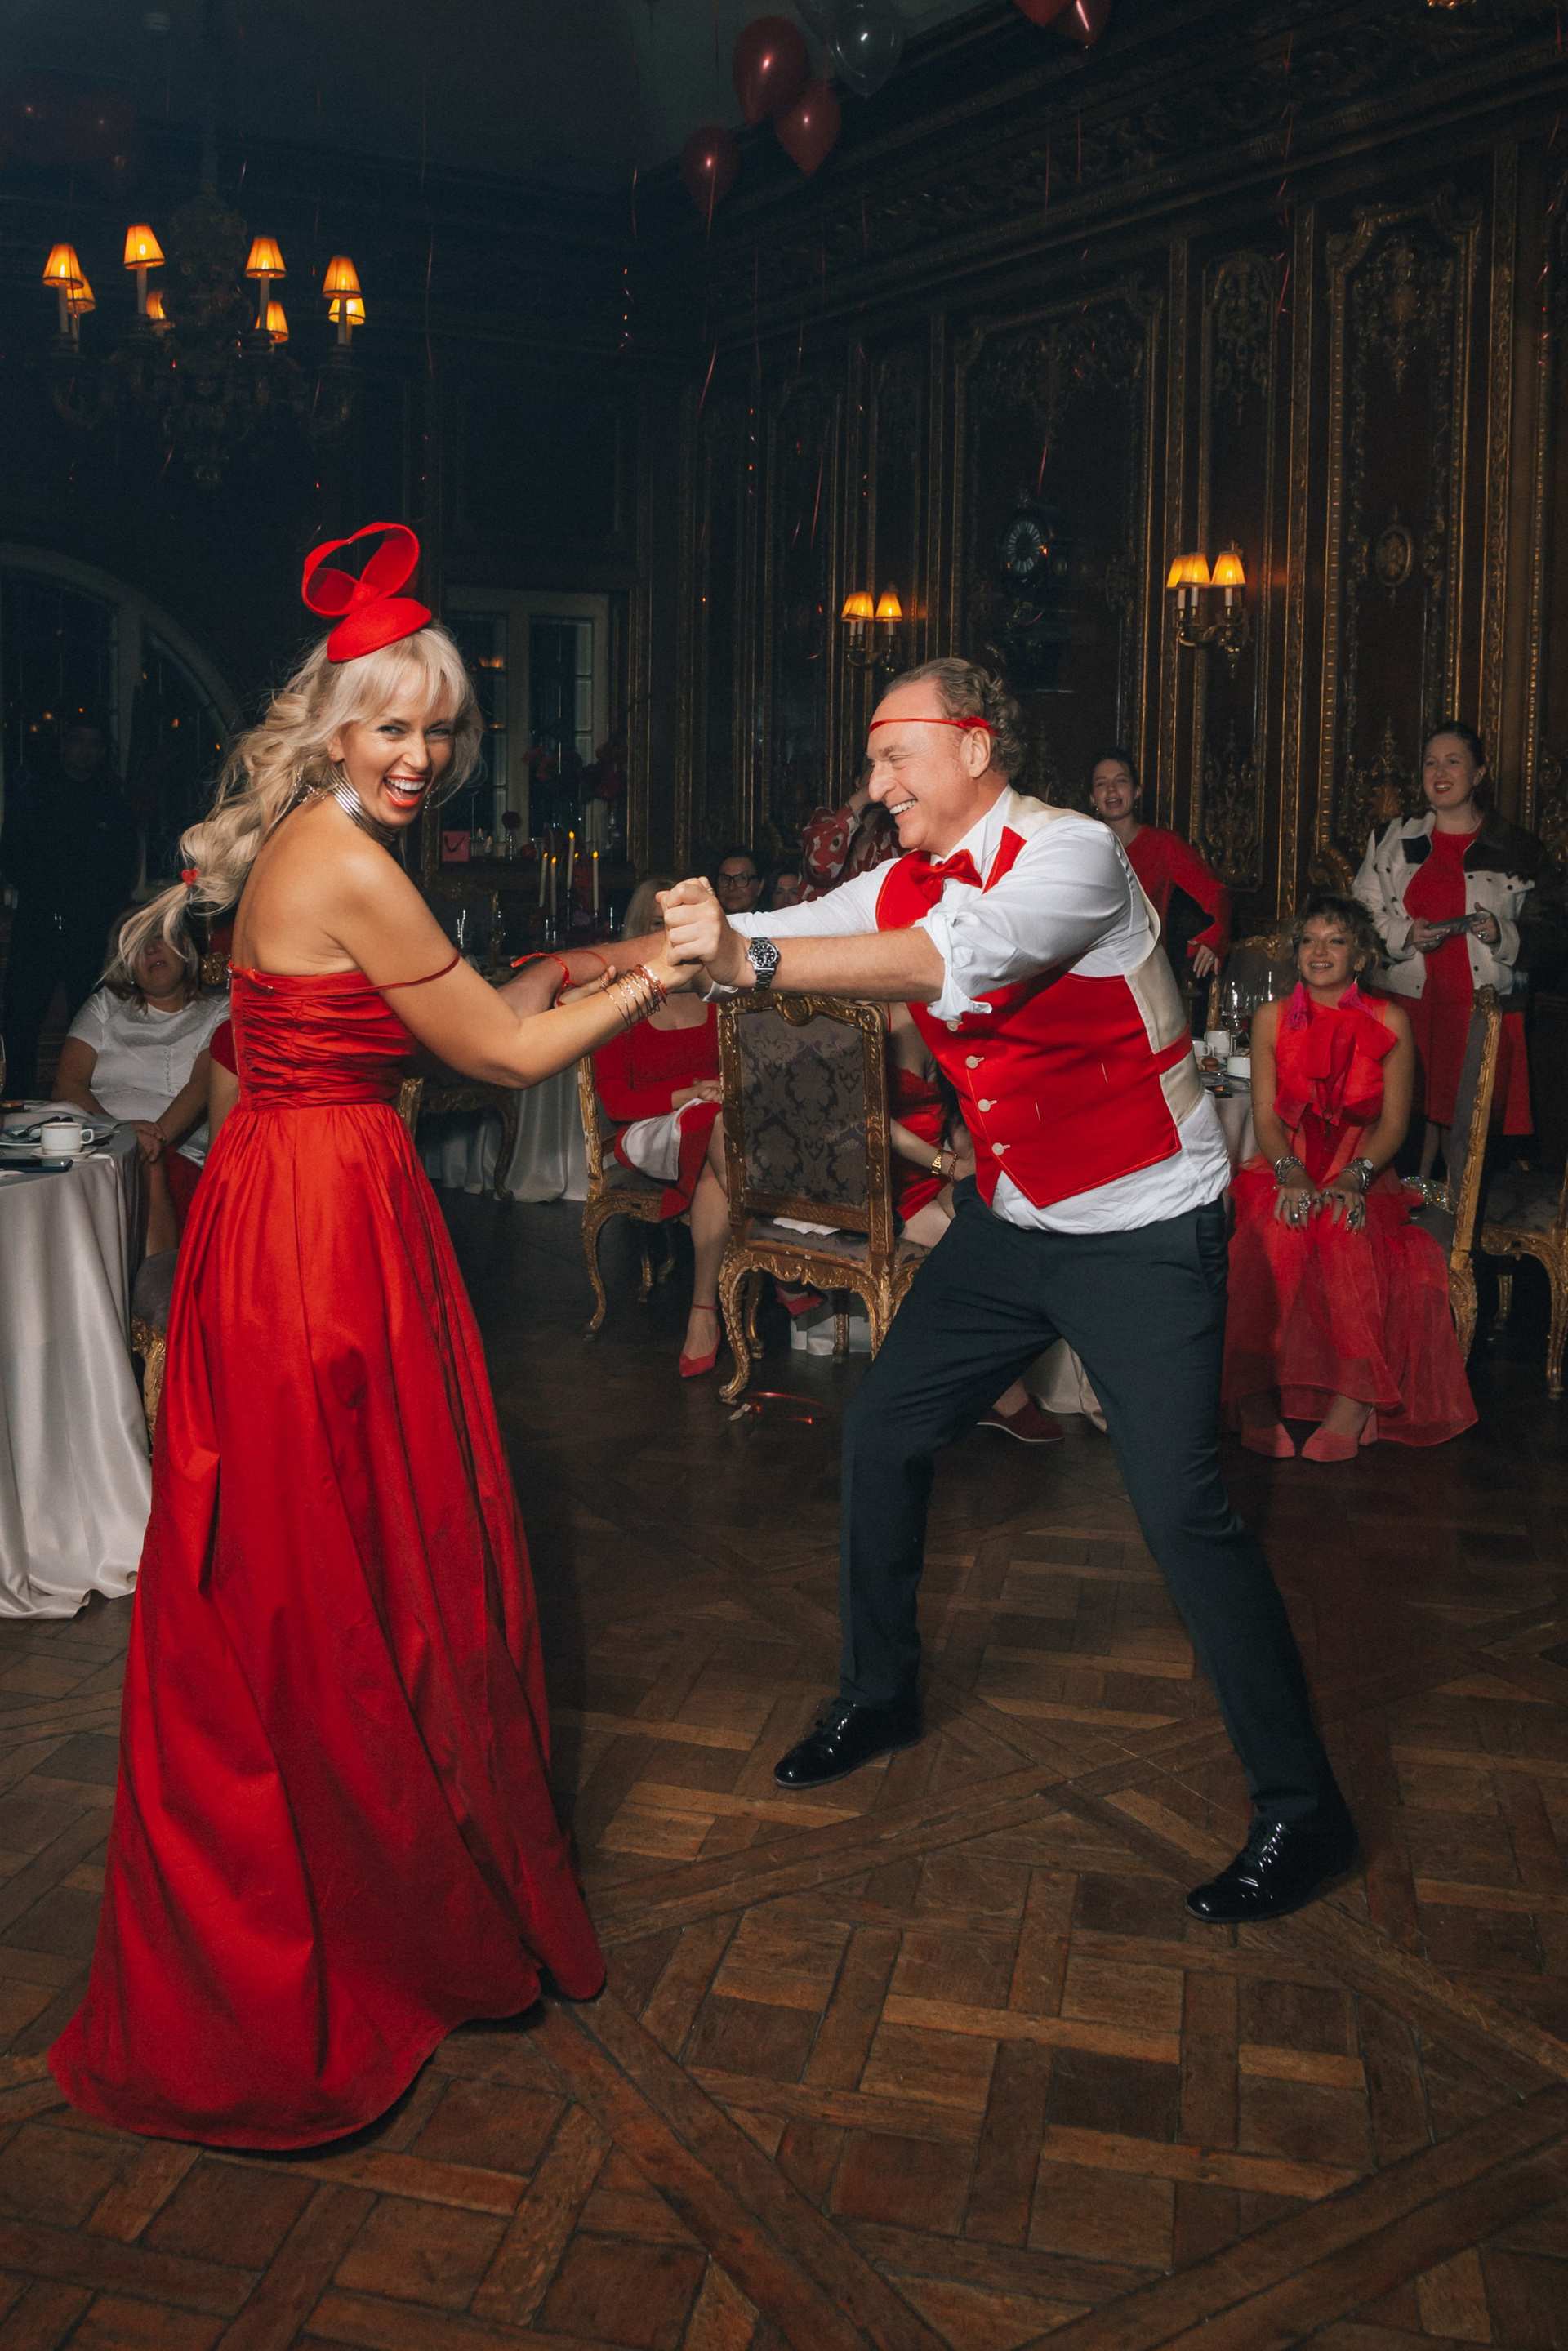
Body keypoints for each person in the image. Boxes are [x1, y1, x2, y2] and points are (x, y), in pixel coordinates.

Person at [50, 522, 702, 2149]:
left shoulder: (321, 836)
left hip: (301, 1197)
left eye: (440, 726)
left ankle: (377, 1869)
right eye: (394, 723)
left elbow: (451, 1008)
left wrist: (615, 951)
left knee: (332, 1553)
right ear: (334, 723)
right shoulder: (342, 858)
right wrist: (669, 972)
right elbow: (499, 1052)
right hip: (319, 1230)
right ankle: (362, 1903)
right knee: (341, 1567)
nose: (421, 753)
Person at [662, 657, 1356, 1927]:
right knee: (882, 1431)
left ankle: (1306, 1813)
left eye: (896, 755)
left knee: (1183, 1515)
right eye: (873, 759)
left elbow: (947, 959)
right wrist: (606, 963)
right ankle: (880, 1691)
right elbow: (793, 937)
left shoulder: (1075, 855)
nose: (875, 782)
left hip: (1146, 1229)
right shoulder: (902, 873)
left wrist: (742, 954)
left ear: (975, 745)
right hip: (1017, 1220)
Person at [1224, 896, 1476, 1461]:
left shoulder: (1391, 1021)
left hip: (1362, 1172)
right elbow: (1264, 1118)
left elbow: (1395, 1123)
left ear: (1360, 956)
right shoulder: (1270, 1018)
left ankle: (1356, 1399)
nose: (1319, 951)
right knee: (1276, 1235)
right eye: (1309, 940)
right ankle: (1252, 1396)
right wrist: (1290, 1173)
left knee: (1343, 1233)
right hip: (1284, 1167)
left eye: (1335, 940)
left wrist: (1355, 1178)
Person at [1354, 720, 1558, 1180]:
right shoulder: (1391, 839)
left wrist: (1501, 932)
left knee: (1466, 1129)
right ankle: (1409, 1211)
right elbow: (1361, 915)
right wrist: (1406, 934)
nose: (1439, 773)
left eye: (1453, 762)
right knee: (1405, 1122)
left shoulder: (1520, 849)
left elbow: (1550, 934)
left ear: (1479, 773)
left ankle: (1458, 1218)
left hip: (1478, 1008)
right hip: (1407, 1004)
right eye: (1430, 763)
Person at [885, 1004, 1062, 1444]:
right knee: (982, 1255)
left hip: (938, 1171)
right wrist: (948, 1164)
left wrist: (975, 1161)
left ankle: (985, 1386)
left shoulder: (940, 1009)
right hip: (888, 1184)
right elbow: (868, 1123)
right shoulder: (866, 1014)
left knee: (1010, 1227)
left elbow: (955, 1107)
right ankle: (1003, 1397)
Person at [594, 877, 728, 1376]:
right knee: (713, 1124)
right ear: (638, 930)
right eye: (658, 924)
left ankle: (702, 1312)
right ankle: (776, 1254)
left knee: (716, 1162)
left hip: (715, 1124)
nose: (672, 933)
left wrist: (718, 1090)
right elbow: (616, 1101)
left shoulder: (714, 990)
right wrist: (688, 1095)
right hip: (644, 1130)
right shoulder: (620, 999)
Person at [55, 915, 229, 1253]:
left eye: (159, 937)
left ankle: (153, 1280)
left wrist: (149, 1139)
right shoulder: (105, 1004)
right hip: (99, 1133)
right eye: (137, 946)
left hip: (172, 1144)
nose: (150, 949)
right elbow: (68, 1084)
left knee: (147, 1163)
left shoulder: (220, 1011)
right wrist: (120, 1134)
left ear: (184, 946)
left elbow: (202, 1086)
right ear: (125, 965)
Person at [0, 708, 140, 1094]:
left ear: (103, 750)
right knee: (21, 1018)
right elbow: (12, 855)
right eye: (78, 741)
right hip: (38, 924)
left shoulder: (112, 803)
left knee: (93, 1017)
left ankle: (89, 1098)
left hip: (90, 929)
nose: (85, 751)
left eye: (94, 743)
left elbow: (122, 866)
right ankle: (15, 1099)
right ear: (64, 744)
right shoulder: (34, 795)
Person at [1089, 748, 1231, 984]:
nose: (1111, 789)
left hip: (1144, 976)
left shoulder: (1164, 845)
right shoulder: (1083, 847)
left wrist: (1216, 937)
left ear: (1137, 791)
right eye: (1101, 783)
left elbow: (1216, 892)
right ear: (1093, 798)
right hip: (1091, 973)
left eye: (1121, 781)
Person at [800, 768, 900, 900]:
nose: (882, 780)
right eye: (873, 770)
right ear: (858, 781)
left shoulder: (898, 841)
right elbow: (820, 867)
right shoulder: (824, 821)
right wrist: (862, 798)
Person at [710, 844, 763, 919]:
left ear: (760, 886)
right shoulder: (708, 922)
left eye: (741, 879)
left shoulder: (769, 924)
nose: (732, 887)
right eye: (725, 879)